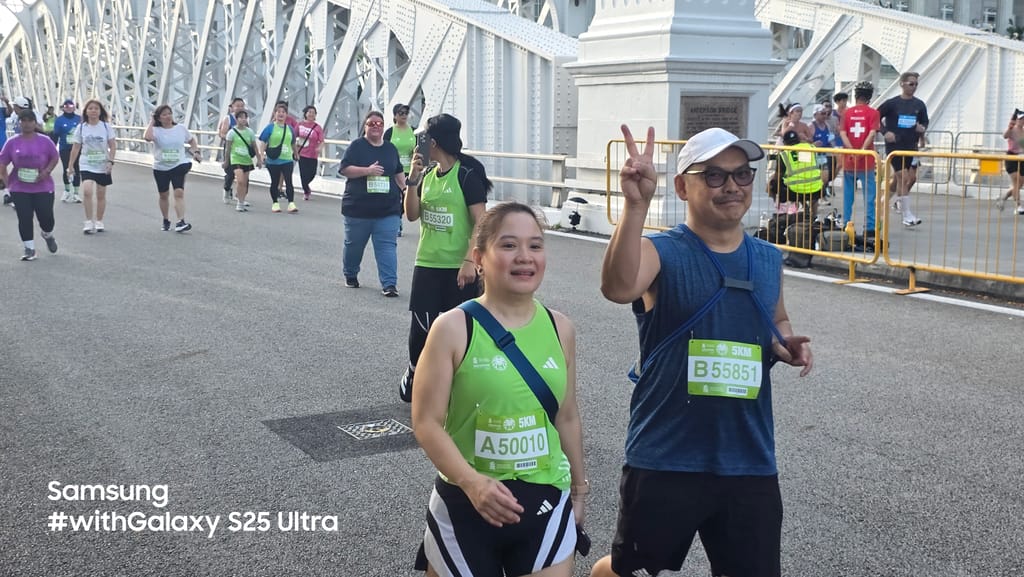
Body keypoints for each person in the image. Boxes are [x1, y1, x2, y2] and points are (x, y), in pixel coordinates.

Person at [592, 125, 813, 577]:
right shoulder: (661, 251)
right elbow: (617, 287)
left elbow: (776, 318)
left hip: (748, 456)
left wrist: (783, 343)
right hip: (666, 454)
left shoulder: (767, 258)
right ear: (682, 187)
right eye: (713, 175)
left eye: (742, 174)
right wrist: (636, 206)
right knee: (632, 571)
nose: (731, 186)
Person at [410, 201, 586, 577]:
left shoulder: (561, 328)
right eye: (508, 245)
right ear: (479, 258)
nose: (525, 257)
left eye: (535, 245)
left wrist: (578, 488)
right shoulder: (452, 328)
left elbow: (567, 416)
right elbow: (426, 422)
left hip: (545, 500)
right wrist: (472, 483)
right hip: (464, 502)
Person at [398, 113, 491, 402]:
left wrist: (469, 261)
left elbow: (482, 222)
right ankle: (416, 372)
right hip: (427, 263)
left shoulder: (466, 176)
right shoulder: (427, 175)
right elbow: (411, 215)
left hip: (458, 268)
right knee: (421, 328)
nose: (420, 143)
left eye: (424, 138)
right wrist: (412, 181)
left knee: (460, 329)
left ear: (434, 142)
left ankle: (458, 383)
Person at [339, 110, 406, 295]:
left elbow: (398, 172)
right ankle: (350, 274)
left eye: (379, 124)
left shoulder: (390, 149)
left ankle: (389, 284)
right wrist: (367, 171)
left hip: (388, 209)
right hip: (358, 210)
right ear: (365, 127)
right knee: (354, 246)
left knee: (387, 247)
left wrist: (406, 190)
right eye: (371, 124)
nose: (376, 127)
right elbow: (344, 169)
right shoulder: (356, 146)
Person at [0, 109, 60, 260]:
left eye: (29, 121)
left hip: (43, 186)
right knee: (24, 217)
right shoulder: (12, 142)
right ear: (19, 123)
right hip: (19, 187)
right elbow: (2, 162)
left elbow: (55, 157)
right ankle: (29, 248)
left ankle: (47, 234)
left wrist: (47, 171)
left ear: (35, 123)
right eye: (23, 121)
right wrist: (7, 183)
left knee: (46, 218)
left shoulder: (45, 141)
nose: (26, 124)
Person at [878, 71, 928, 227]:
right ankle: (907, 215)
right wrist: (885, 132)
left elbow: (924, 122)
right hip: (895, 147)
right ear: (902, 84)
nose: (914, 87)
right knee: (904, 178)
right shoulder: (892, 103)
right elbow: (875, 117)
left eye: (916, 84)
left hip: (910, 147)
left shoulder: (919, 105)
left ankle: (881, 202)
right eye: (911, 84)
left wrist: (922, 129)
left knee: (899, 180)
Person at [144, 104, 201, 232]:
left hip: (178, 164)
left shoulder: (180, 128)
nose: (168, 116)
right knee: (163, 195)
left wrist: (196, 151)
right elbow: (147, 138)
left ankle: (181, 221)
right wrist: (152, 121)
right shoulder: (156, 130)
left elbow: (192, 140)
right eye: (164, 114)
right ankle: (166, 219)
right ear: (159, 118)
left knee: (179, 192)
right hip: (161, 167)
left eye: (169, 113)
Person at [67, 99, 116, 234]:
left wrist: (110, 161)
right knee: (87, 191)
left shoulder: (106, 127)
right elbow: (76, 147)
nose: (93, 111)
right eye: (90, 108)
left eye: (96, 108)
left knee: (101, 194)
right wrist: (70, 165)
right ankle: (88, 221)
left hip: (102, 164)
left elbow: (112, 145)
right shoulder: (81, 127)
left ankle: (99, 220)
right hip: (86, 163)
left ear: (100, 112)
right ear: (86, 112)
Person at [839, 81, 880, 236]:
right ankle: (869, 227)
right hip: (867, 160)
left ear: (855, 95)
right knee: (869, 196)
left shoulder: (846, 113)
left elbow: (843, 133)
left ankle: (846, 224)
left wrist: (851, 150)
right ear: (869, 96)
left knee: (848, 195)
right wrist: (862, 150)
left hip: (849, 160)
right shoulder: (873, 113)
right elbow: (872, 133)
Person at [258, 104, 297, 213]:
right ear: (274, 114)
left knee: (289, 181)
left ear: (286, 115)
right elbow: (263, 141)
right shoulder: (270, 127)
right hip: (273, 160)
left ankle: (291, 203)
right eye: (278, 112)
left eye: (283, 112)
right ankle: (275, 203)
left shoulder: (290, 129)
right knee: (274, 182)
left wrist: (296, 153)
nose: (281, 114)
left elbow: (293, 143)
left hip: (287, 159)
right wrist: (262, 155)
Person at [385, 103, 416, 237]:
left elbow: (421, 148)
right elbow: (384, 149)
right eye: (400, 113)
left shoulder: (414, 131)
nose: (404, 115)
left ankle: (398, 217)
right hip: (394, 171)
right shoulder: (390, 132)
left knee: (406, 197)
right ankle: (396, 221)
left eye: (406, 113)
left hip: (410, 170)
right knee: (394, 197)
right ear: (395, 116)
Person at [222, 109, 262, 212]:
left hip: (246, 159)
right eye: (241, 117)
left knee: (244, 182)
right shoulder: (231, 133)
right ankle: (239, 203)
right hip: (236, 159)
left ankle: (241, 201)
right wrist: (226, 161)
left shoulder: (250, 132)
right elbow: (228, 149)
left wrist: (259, 159)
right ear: (236, 119)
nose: (243, 119)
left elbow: (255, 147)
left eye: (245, 117)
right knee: (239, 181)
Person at [52, 99, 82, 203]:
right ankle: (67, 190)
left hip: (77, 147)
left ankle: (76, 193)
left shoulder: (79, 119)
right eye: (66, 106)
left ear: (74, 107)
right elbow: (55, 135)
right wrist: (52, 148)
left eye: (71, 106)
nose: (69, 108)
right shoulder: (59, 120)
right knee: (67, 168)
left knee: (76, 168)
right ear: (63, 108)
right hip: (64, 147)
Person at [217, 97, 245, 203]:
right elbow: (222, 133)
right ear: (232, 107)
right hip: (230, 148)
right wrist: (231, 138)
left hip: (241, 149)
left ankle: (240, 196)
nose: (240, 108)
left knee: (242, 173)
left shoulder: (245, 119)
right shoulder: (228, 119)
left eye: (242, 106)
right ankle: (227, 189)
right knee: (230, 173)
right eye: (237, 106)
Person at [295, 105, 325, 201]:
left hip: (312, 155)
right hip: (302, 153)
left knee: (312, 174)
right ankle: (306, 191)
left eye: (313, 113)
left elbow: (322, 141)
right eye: (309, 112)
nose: (311, 114)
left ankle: (306, 186)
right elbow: (293, 136)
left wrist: (319, 148)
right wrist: (294, 147)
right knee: (303, 175)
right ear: (305, 113)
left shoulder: (317, 127)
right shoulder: (299, 125)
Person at [996, 113, 1024, 215]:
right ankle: (1018, 206)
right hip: (1011, 157)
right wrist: (1009, 128)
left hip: (1021, 158)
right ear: (1016, 120)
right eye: (1020, 119)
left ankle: (1003, 197)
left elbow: (1022, 146)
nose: (1022, 121)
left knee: (1019, 184)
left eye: (1023, 119)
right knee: (1017, 181)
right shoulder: (1012, 129)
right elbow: (1005, 136)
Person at [810, 103, 836, 198]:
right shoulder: (811, 126)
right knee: (813, 178)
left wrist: (833, 147)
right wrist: (813, 145)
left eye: (826, 113)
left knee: (825, 178)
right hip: (812, 156)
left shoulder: (827, 125)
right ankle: (814, 196)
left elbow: (830, 139)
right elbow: (805, 142)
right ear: (815, 114)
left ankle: (821, 194)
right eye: (822, 113)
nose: (825, 115)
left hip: (822, 156)